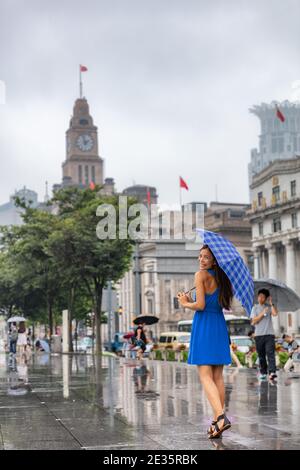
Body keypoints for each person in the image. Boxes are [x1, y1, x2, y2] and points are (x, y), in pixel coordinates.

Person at [177, 244, 232, 439]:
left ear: (214, 260)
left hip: (204, 325)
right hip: (218, 324)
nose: (201, 260)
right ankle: (217, 423)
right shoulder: (223, 278)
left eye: (206, 257)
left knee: (205, 375)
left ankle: (220, 417)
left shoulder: (200, 275)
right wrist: (192, 298)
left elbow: (200, 305)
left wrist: (185, 303)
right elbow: (210, 301)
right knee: (217, 377)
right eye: (200, 256)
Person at [250, 289, 278, 381]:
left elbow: (275, 314)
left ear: (266, 298)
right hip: (259, 335)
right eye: (259, 296)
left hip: (269, 334)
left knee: (270, 353)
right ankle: (263, 372)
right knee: (261, 355)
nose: (260, 298)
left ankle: (272, 372)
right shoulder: (255, 308)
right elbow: (253, 321)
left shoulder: (269, 307)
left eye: (263, 297)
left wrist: (271, 303)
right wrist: (263, 313)